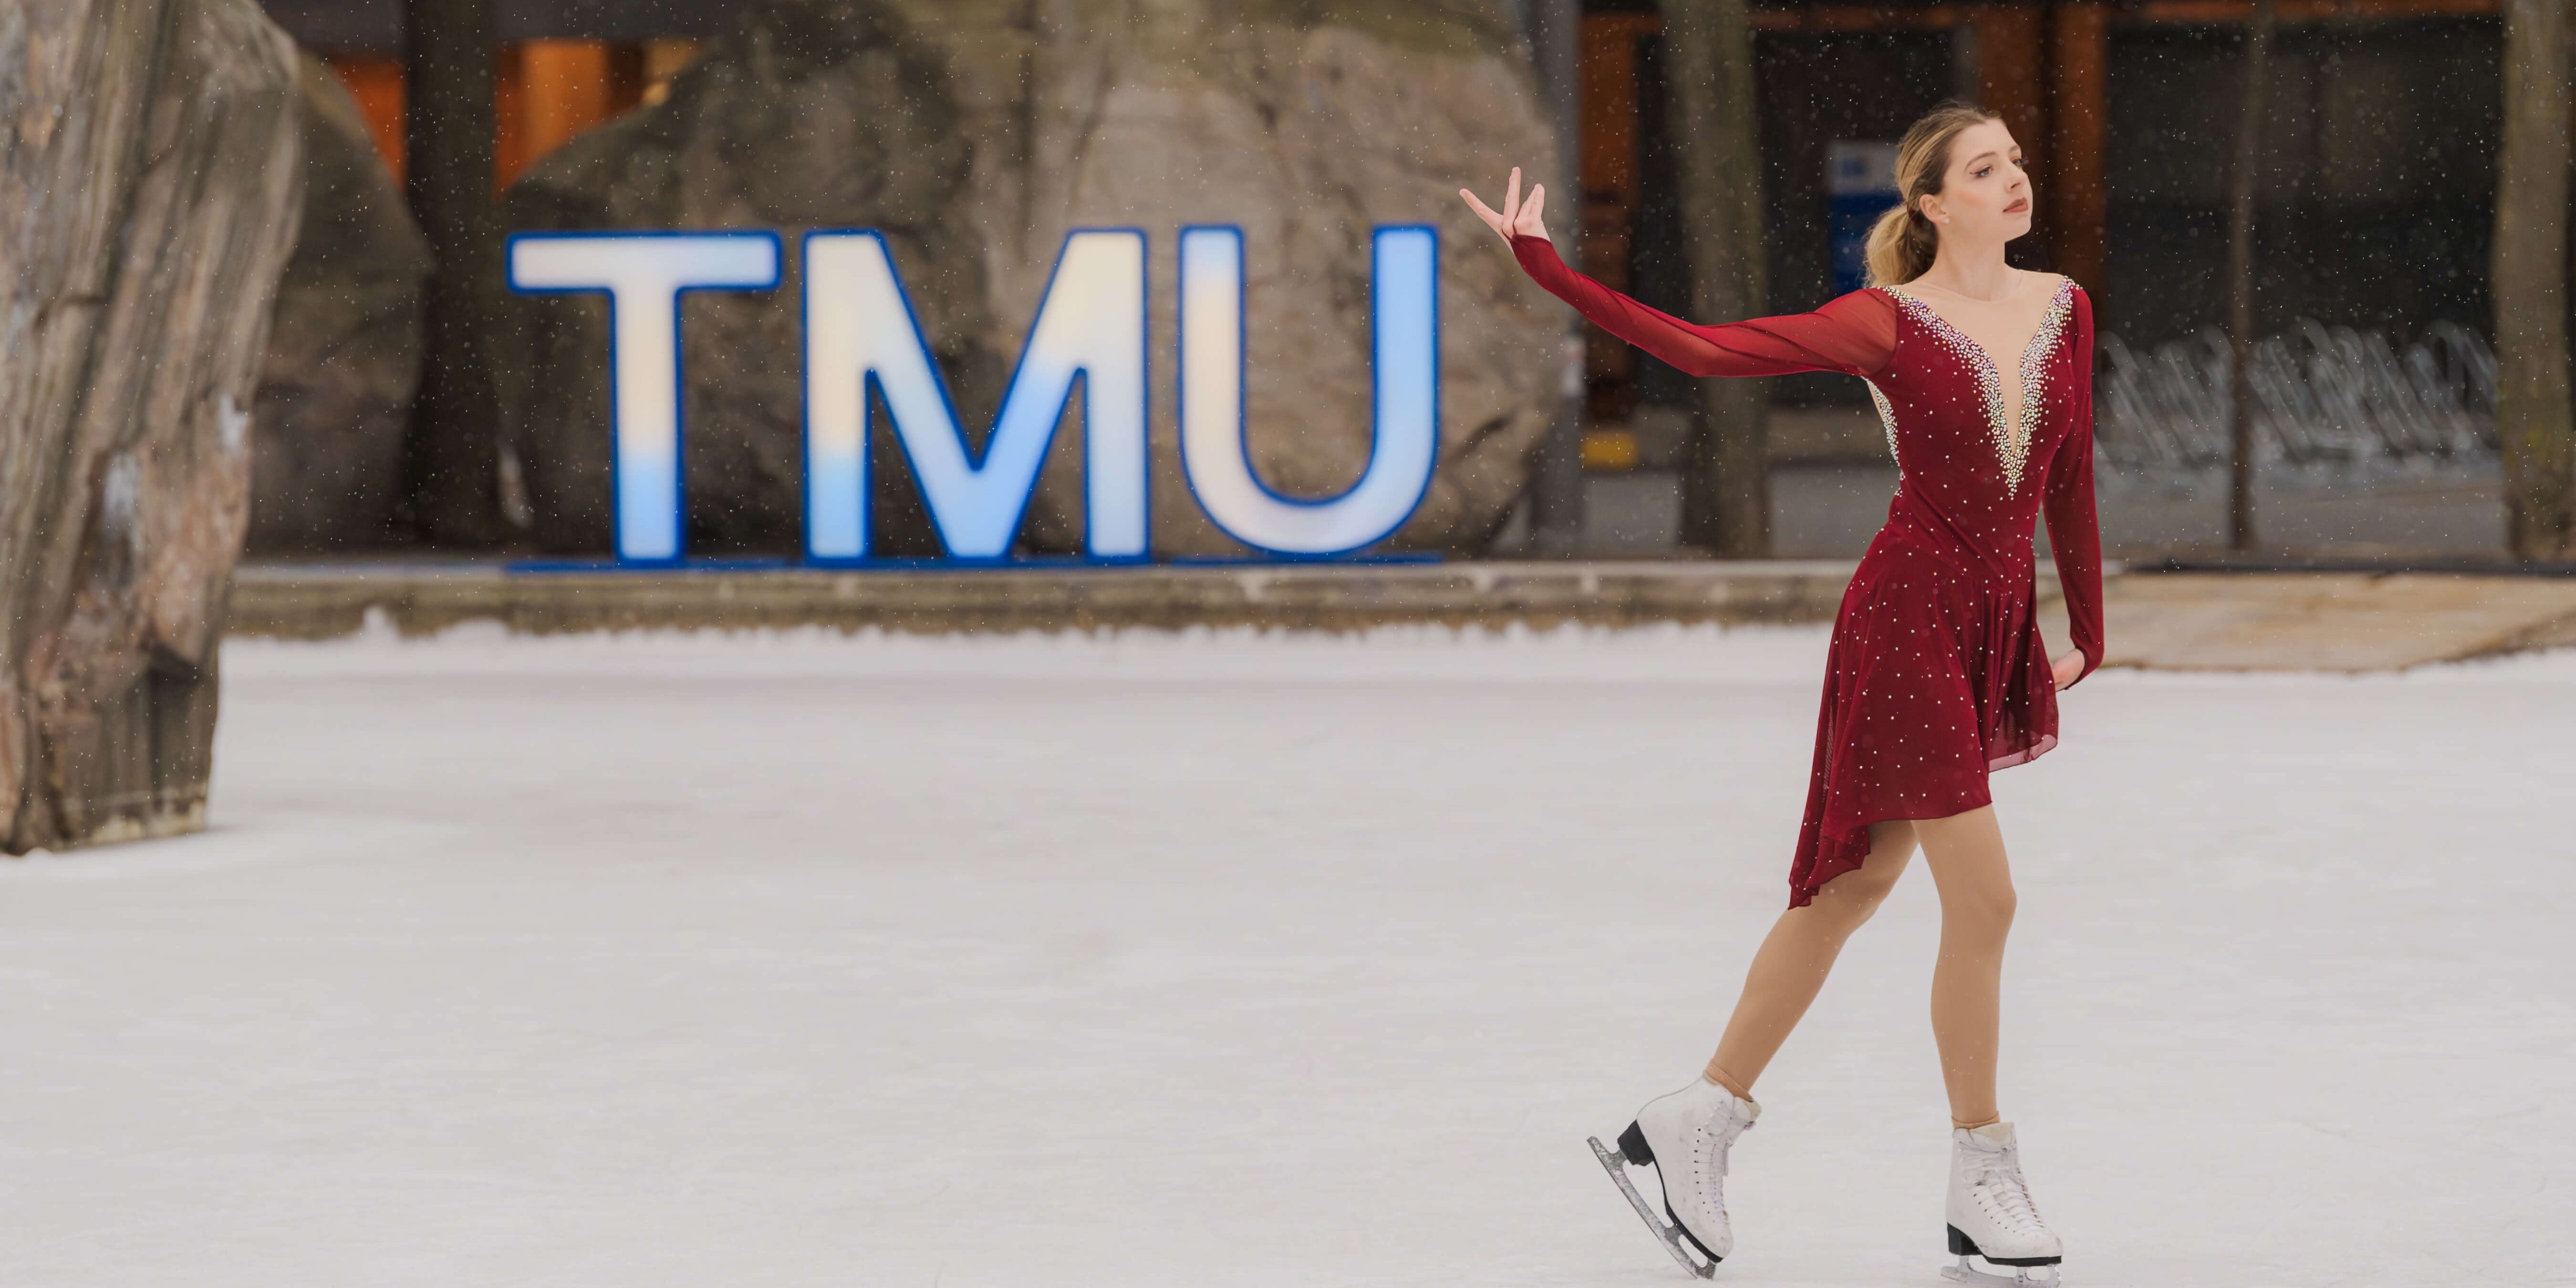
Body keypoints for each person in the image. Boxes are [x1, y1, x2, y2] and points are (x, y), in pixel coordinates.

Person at [1462, 102, 2102, 1288]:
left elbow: (2067, 479)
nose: (2013, 179)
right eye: (1983, 168)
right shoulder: (1887, 324)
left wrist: (2090, 630)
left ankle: (1696, 1119)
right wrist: (1543, 265)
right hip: (1906, 618)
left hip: (1986, 625)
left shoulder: (2063, 307)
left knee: (1852, 891)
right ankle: (1982, 1169)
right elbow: (1706, 352)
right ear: (1930, 203)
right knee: (1989, 900)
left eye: (2017, 158)